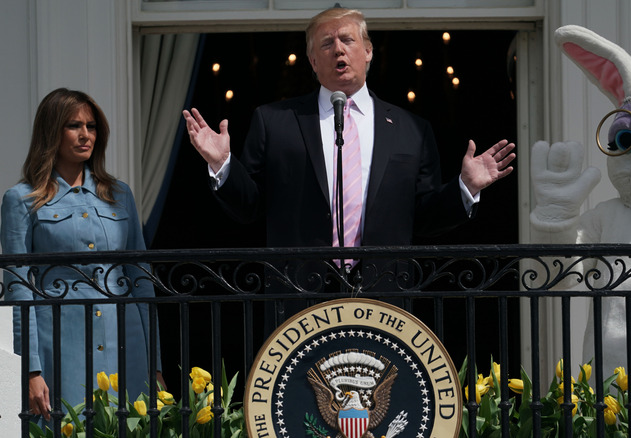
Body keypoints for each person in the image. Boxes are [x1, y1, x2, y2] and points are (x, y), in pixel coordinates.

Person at [182, 7, 515, 294]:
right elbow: (249, 205)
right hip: (299, 294)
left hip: (383, 295)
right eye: (326, 44)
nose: (338, 49)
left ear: (368, 51)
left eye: (348, 40)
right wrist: (223, 164)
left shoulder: (411, 129)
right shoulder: (275, 121)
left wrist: (464, 188)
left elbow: (424, 217)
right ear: (313, 61)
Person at [1, 88, 163, 421]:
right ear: (51, 132)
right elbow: (18, 288)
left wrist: (154, 363)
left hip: (126, 342)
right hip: (59, 345)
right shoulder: (21, 199)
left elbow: (141, 280)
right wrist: (30, 369)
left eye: (91, 126)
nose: (86, 134)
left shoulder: (120, 194)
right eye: (74, 125)